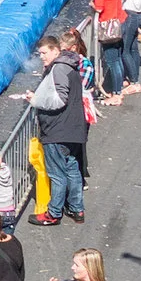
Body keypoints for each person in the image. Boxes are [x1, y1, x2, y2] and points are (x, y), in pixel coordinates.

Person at [27, 35, 91, 226]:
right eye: (40, 54)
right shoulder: (70, 66)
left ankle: (53, 213)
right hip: (74, 130)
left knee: (57, 174)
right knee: (72, 171)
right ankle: (77, 208)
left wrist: (35, 100)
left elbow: (59, 99)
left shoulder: (59, 68)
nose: (42, 57)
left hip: (57, 131)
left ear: (55, 50)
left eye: (44, 53)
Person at [89, 0, 131, 102]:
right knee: (117, 58)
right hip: (121, 21)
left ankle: (117, 93)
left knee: (113, 60)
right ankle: (119, 88)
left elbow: (99, 7)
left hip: (109, 27)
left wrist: (92, 4)